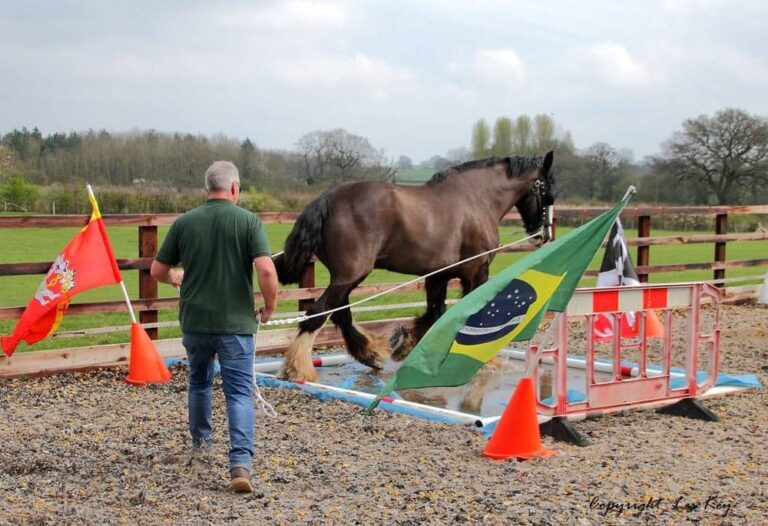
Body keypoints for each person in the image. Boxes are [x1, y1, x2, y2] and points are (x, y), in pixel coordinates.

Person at [150, 160, 278, 493]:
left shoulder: (184, 223)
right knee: (238, 392)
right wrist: (270, 305)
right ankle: (240, 464)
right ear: (234, 188)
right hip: (235, 323)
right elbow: (266, 270)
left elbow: (156, 271)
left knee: (199, 383)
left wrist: (174, 277)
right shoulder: (249, 221)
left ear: (207, 189)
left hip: (195, 321)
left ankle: (201, 445)